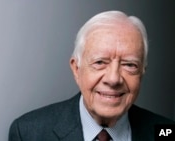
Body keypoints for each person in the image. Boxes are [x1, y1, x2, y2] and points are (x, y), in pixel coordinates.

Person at [9, 10, 174, 141]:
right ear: (76, 69)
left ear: (142, 72)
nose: (113, 79)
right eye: (100, 62)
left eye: (129, 65)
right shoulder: (29, 133)